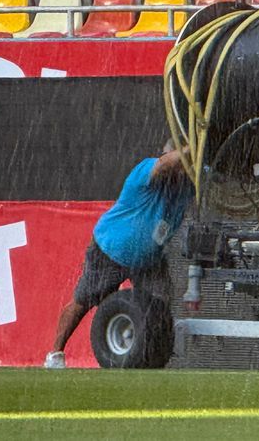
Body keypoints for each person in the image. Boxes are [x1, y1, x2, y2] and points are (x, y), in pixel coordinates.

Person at [45, 140, 192, 369]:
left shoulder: (185, 189)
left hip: (149, 260)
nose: (180, 168)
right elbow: (165, 164)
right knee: (84, 301)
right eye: (179, 160)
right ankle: (55, 353)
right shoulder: (147, 170)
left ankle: (150, 357)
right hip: (111, 250)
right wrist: (193, 149)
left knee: (160, 305)